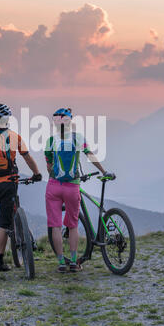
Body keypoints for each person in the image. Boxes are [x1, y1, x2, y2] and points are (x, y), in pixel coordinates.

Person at [45, 108, 115, 273]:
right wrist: (104, 172)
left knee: (55, 226)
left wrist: (55, 178)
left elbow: (49, 165)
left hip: (54, 186)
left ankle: (62, 262)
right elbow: (90, 155)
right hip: (73, 186)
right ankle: (74, 262)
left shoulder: (50, 141)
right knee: (73, 225)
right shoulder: (78, 138)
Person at [0, 103, 42, 271]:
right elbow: (27, 157)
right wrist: (37, 173)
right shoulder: (14, 137)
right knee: (4, 223)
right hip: (9, 184)